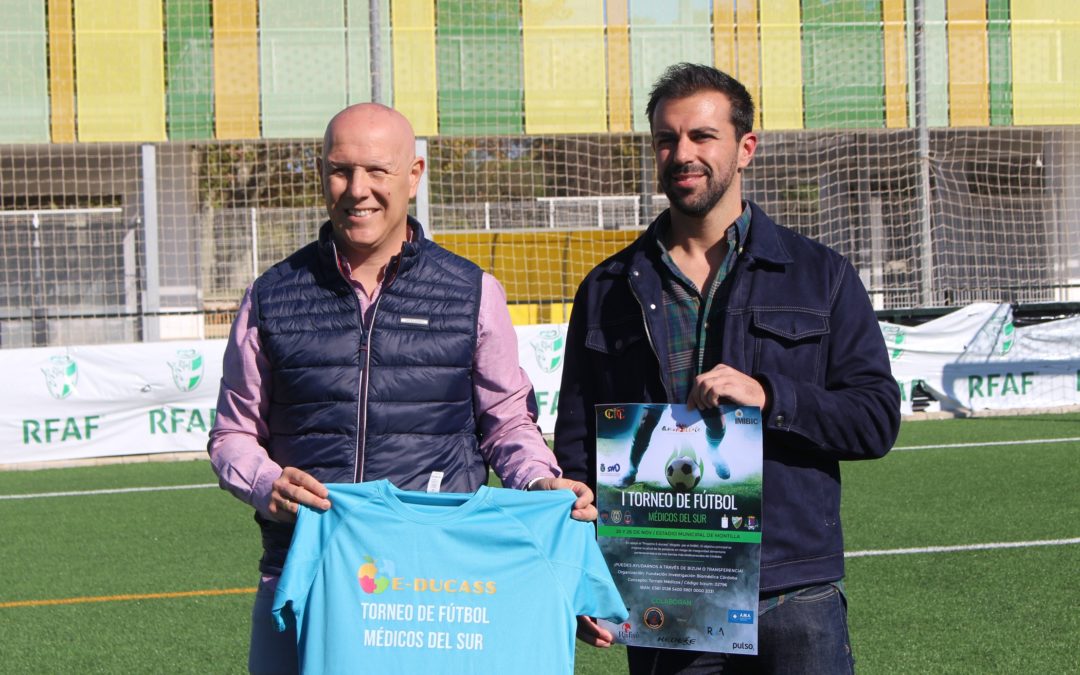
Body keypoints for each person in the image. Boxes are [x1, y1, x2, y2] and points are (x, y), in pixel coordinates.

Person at [208, 103, 596, 675]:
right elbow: (232, 434)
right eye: (340, 170)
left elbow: (508, 423)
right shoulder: (270, 297)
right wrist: (268, 484)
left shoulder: (472, 292)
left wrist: (538, 480)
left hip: (432, 586)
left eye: (376, 171)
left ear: (413, 176)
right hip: (303, 575)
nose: (356, 190)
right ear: (322, 174)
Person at [555, 63, 901, 673]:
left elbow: (875, 421)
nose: (681, 153)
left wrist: (771, 395)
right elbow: (579, 448)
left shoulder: (821, 275)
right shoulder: (607, 288)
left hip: (793, 593)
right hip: (668, 590)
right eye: (667, 139)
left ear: (745, 148)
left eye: (701, 136)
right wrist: (581, 574)